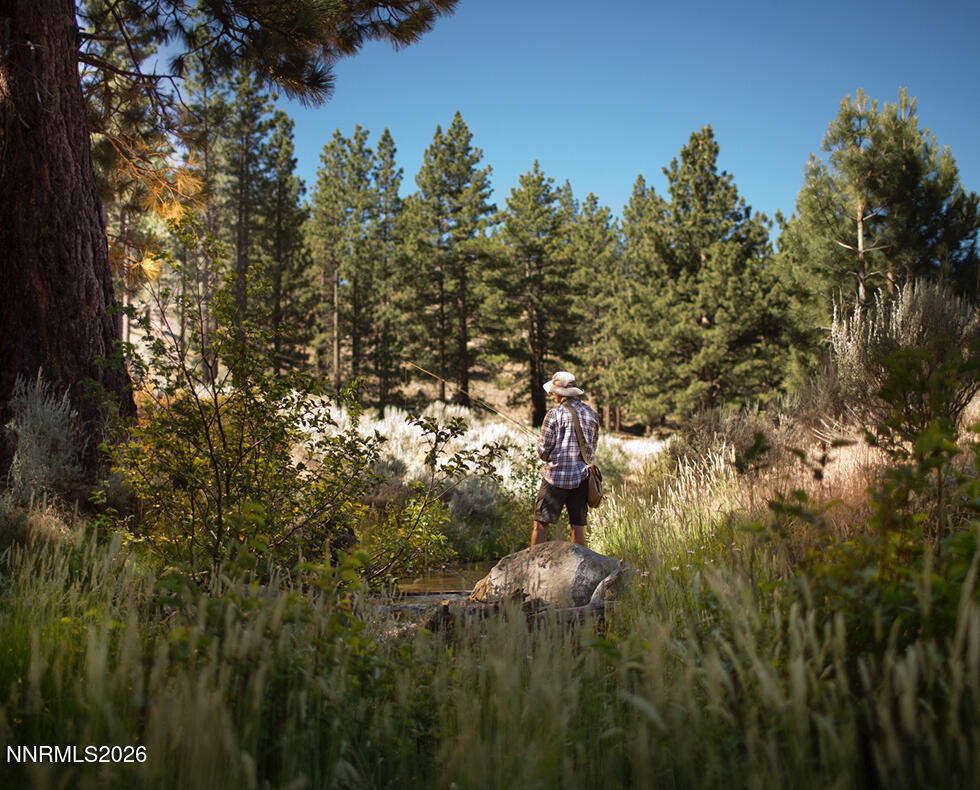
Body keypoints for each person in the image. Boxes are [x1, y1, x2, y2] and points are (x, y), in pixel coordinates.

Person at [532, 370, 599, 546]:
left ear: (558, 393)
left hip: (555, 477)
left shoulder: (554, 415)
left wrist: (541, 450)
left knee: (540, 524)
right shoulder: (591, 414)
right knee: (577, 526)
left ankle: (534, 565)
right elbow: (591, 450)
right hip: (581, 477)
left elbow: (544, 451)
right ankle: (579, 568)